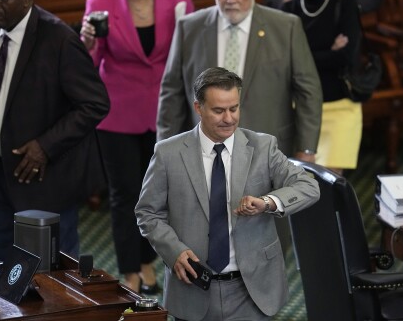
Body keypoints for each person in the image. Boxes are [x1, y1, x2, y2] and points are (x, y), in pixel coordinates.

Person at [136, 67, 320, 321]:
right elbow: (147, 213)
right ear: (198, 108)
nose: (229, 118)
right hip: (193, 288)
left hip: (252, 290)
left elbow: (308, 186)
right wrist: (174, 251)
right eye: (219, 110)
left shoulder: (263, 147)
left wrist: (268, 202)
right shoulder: (168, 153)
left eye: (234, 108)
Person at [0, 0, 110, 264]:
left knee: (53, 276)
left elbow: (95, 103)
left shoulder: (58, 39)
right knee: (3, 265)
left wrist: (45, 146)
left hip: (42, 178)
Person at [79, 0, 194, 294]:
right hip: (118, 113)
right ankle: (131, 270)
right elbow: (90, 65)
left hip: (166, 111)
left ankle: (149, 262)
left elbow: (187, 54)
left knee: (159, 194)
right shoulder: (101, 2)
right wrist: (87, 42)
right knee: (125, 194)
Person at [157, 0, 322, 164]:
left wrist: (306, 149)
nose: (231, 0)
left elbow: (309, 92)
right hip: (203, 152)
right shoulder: (189, 29)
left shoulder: (286, 28)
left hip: (268, 151)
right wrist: (165, 148)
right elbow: (171, 94)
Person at [282, 0, 362, 175]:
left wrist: (305, 56)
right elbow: (287, 63)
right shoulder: (289, 11)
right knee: (302, 184)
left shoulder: (344, 4)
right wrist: (329, 52)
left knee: (330, 185)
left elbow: (346, 57)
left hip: (339, 106)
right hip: (302, 108)